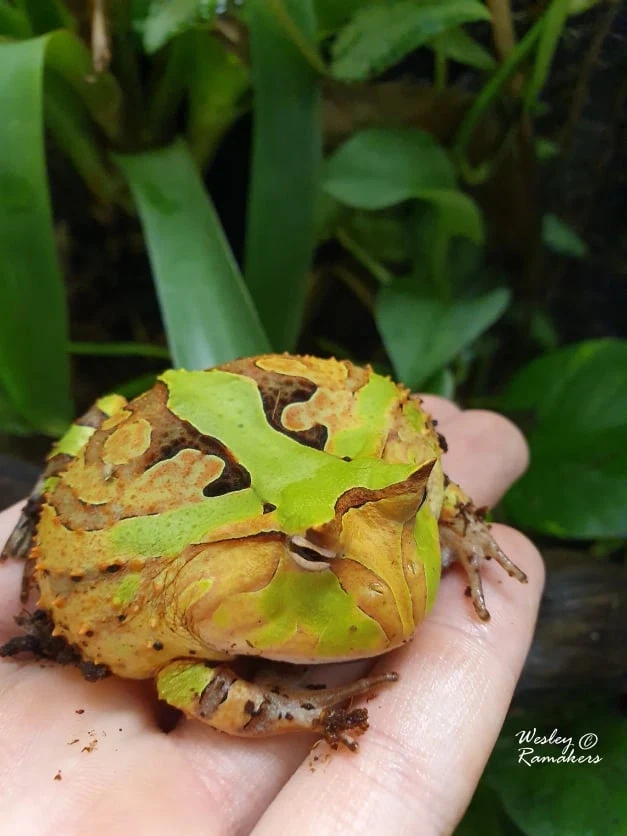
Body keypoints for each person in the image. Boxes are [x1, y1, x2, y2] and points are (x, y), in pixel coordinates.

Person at [0, 397, 543, 835]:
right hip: (130, 513)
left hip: (260, 417)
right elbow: (181, 679)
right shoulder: (197, 593)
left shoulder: (387, 467)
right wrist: (303, 711)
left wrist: (457, 517)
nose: (388, 590)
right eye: (310, 554)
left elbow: (419, 463)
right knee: (98, 430)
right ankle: (37, 503)